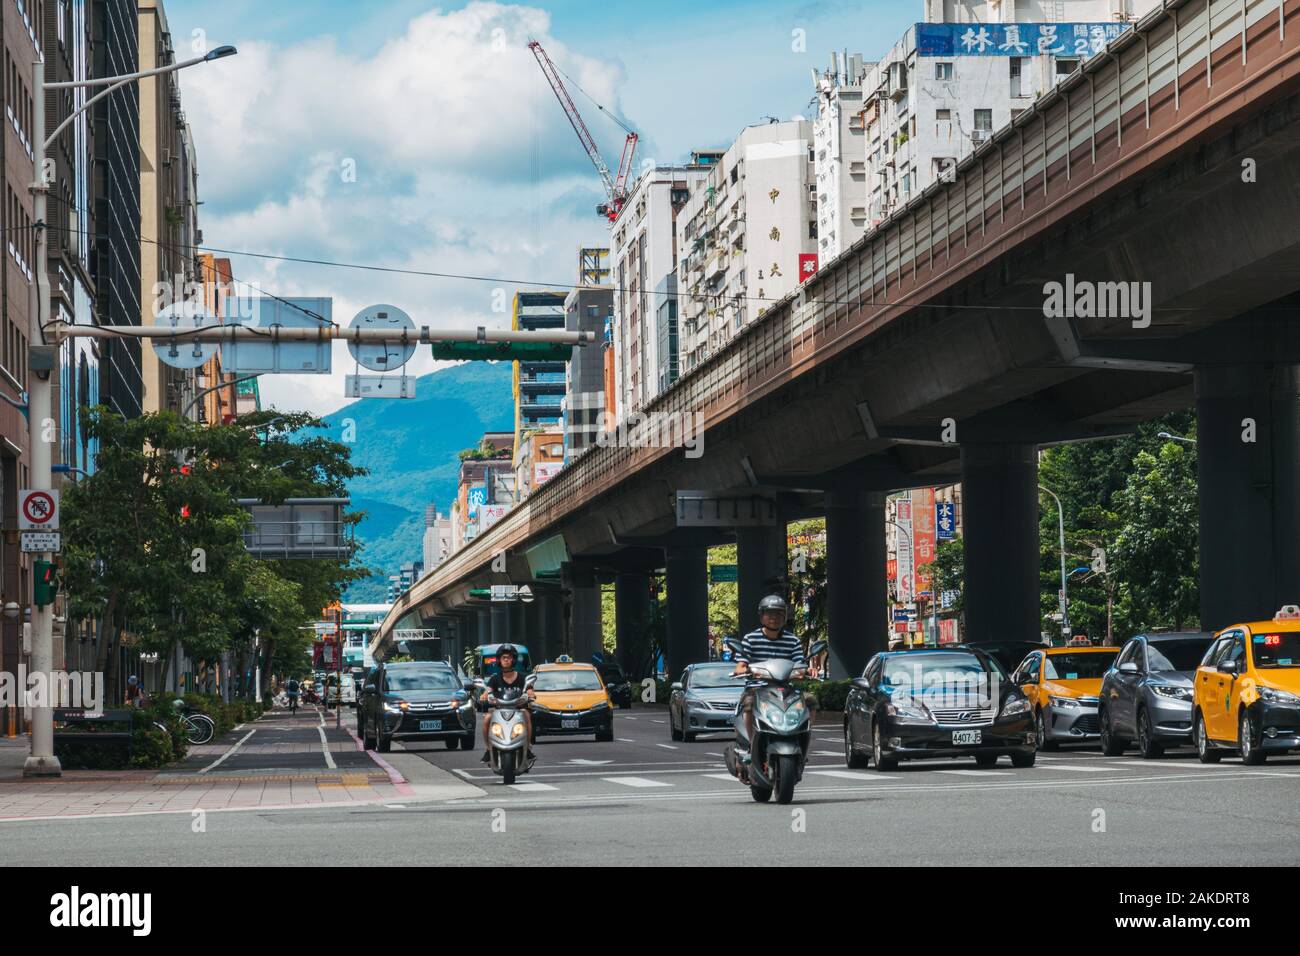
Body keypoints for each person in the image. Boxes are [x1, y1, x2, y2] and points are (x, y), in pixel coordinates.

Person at [730, 595, 812, 759]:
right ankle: (752, 745)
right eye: (769, 614)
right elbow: (741, 664)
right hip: (758, 688)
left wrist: (809, 671)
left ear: (784, 617)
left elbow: (800, 664)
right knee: (748, 705)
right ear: (762, 616)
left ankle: (802, 743)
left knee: (811, 702)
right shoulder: (750, 639)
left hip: (787, 689)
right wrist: (742, 669)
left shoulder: (793, 640)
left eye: (778, 614)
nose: (773, 618)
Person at [479, 644, 532, 764]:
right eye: (504, 658)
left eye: (509, 657)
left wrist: (531, 694)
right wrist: (484, 695)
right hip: (499, 710)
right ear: (499, 660)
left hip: (518, 710)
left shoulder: (522, 678)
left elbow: (529, 690)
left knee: (527, 714)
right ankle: (488, 749)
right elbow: (488, 690)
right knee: (487, 718)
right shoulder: (495, 679)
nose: (506, 660)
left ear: (513, 660)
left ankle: (527, 748)